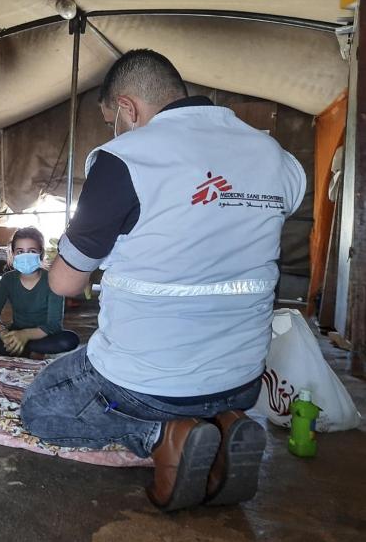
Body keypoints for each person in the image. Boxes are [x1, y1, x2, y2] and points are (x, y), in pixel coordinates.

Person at [20, 49, 306, 511]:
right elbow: (263, 212)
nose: (115, 129)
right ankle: (226, 422)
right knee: (209, 389)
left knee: (40, 406)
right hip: (242, 379)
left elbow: (64, 285)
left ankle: (163, 436)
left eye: (112, 118)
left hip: (148, 385)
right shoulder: (272, 152)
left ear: (128, 108)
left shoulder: (124, 159)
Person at [0, 227, 79, 357]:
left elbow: (53, 326)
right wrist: (4, 334)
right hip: (15, 332)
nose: (25, 256)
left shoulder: (53, 280)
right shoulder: (8, 279)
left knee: (69, 340)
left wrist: (25, 335)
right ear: (13, 254)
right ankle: (25, 349)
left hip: (42, 335)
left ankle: (15, 349)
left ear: (41, 254)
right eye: (20, 252)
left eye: (32, 251)